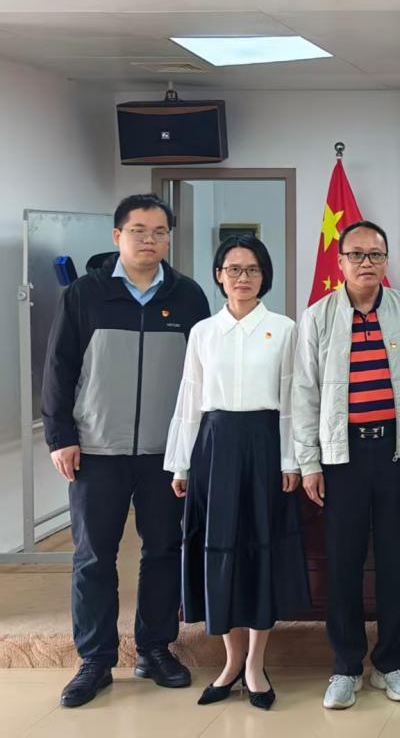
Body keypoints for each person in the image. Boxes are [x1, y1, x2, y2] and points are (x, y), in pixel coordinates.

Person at [43, 193, 210, 708]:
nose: (149, 240)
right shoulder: (85, 294)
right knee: (94, 556)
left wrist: (195, 447)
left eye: (159, 232)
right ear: (118, 236)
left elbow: (203, 377)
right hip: (96, 449)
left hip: (166, 454)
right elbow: (58, 368)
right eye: (138, 231)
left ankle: (155, 648)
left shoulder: (188, 297)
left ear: (169, 239)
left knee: (163, 550)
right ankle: (95, 660)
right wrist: (60, 437)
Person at [165, 236, 309, 710]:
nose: (242, 277)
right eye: (233, 269)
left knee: (259, 551)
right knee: (218, 550)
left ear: (264, 276)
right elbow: (190, 398)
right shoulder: (204, 331)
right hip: (215, 447)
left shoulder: (284, 328)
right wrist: (181, 461)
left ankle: (255, 665)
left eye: (252, 269)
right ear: (219, 275)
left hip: (265, 446)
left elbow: (291, 401)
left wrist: (291, 459)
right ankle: (231, 661)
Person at [292, 220, 400, 710]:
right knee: (343, 564)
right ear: (341, 262)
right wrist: (309, 462)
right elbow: (304, 392)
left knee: (397, 562)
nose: (366, 263)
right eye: (357, 255)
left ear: (388, 260)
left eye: (376, 255)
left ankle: (393, 663)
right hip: (342, 457)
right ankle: (346, 665)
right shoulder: (318, 317)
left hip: (398, 452)